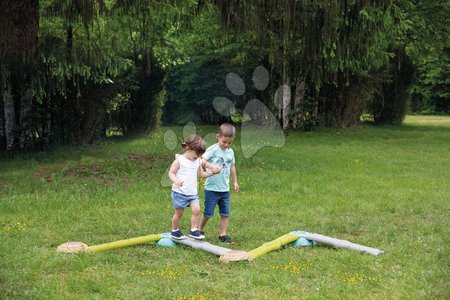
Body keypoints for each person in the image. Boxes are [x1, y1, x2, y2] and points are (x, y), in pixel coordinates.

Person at [168, 135, 220, 240]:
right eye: (197, 155)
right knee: (179, 213)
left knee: (196, 210)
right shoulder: (179, 160)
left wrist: (212, 173)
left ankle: (194, 230)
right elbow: (171, 173)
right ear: (188, 149)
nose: (198, 158)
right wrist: (176, 180)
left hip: (192, 193)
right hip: (180, 192)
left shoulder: (197, 161)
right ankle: (175, 230)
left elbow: (202, 175)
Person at [199, 123, 239, 243]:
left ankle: (223, 234)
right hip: (212, 188)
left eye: (229, 143)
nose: (226, 145)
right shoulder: (213, 149)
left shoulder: (230, 152)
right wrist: (211, 166)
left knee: (225, 213)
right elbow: (201, 161)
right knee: (208, 212)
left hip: (224, 189)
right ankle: (199, 230)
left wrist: (235, 182)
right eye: (224, 142)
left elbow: (232, 167)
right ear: (218, 136)